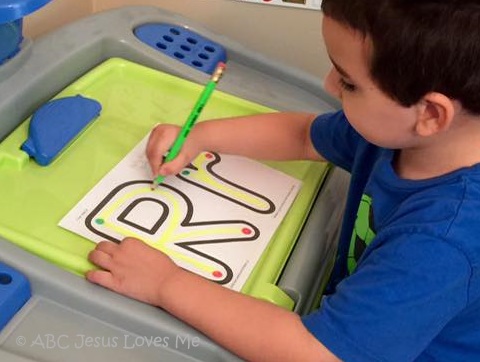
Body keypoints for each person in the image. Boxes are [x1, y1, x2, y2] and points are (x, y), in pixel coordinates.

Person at [86, 0, 480, 361]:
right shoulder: (400, 135)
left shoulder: (442, 240)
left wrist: (166, 282)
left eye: (348, 82)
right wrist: (199, 137)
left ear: (431, 113)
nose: (328, 85)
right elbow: (304, 135)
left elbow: (319, 353)